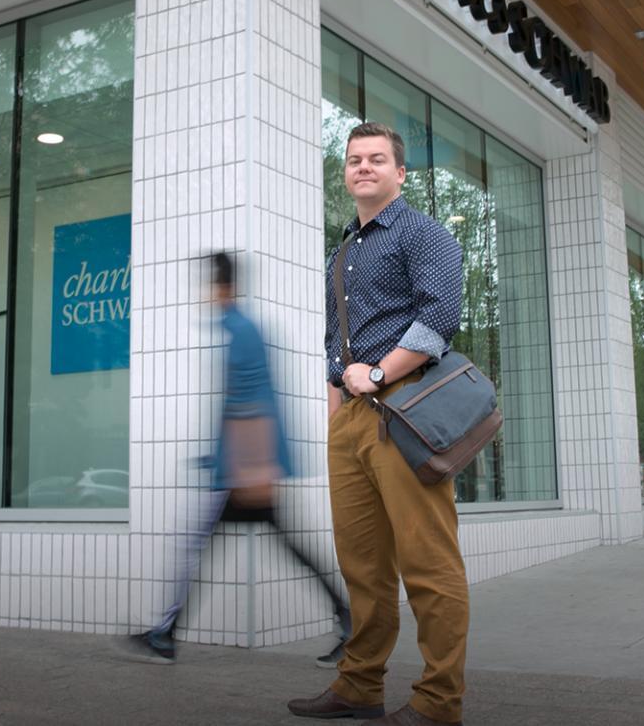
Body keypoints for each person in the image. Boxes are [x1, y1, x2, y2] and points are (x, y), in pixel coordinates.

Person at [287, 122, 467, 726]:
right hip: (352, 422)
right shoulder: (344, 248)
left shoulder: (423, 233)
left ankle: (438, 703)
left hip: (405, 411)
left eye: (377, 159)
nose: (363, 167)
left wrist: (382, 373)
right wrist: (336, 408)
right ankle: (360, 687)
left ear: (400, 173)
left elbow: (441, 313)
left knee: (428, 563)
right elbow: (337, 340)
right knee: (361, 564)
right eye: (354, 159)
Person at [124, 252, 352, 666]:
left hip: (246, 472)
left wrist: (255, 470)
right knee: (279, 546)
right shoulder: (235, 328)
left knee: (205, 545)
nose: (204, 295)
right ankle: (166, 634)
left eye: (209, 286)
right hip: (238, 468)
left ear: (222, 287)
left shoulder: (242, 331)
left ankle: (165, 635)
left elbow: (255, 401)